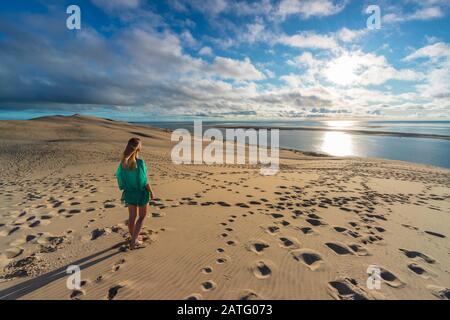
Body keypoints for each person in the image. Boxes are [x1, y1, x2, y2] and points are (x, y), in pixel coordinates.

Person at [116, 137, 155, 249]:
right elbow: (144, 181)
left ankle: (134, 236)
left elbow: (119, 178)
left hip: (129, 193)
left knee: (132, 217)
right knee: (142, 217)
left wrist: (126, 188)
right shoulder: (140, 162)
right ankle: (134, 241)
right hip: (141, 193)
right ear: (138, 148)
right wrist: (151, 191)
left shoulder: (123, 163)